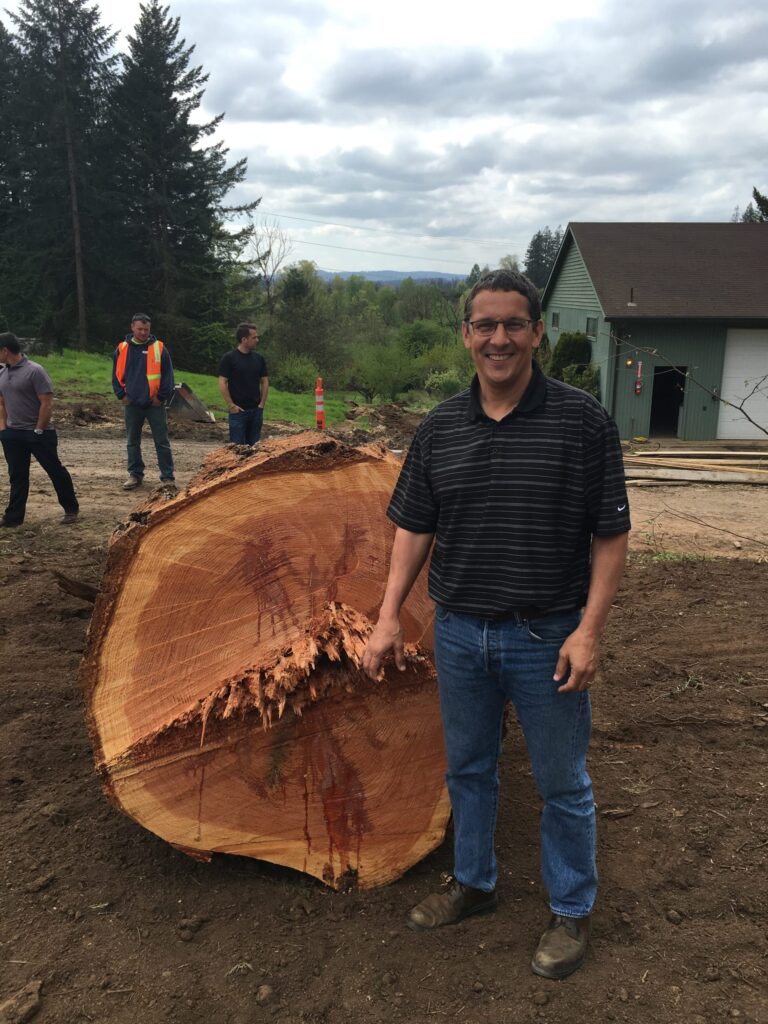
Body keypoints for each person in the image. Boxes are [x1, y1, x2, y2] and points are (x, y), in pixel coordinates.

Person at [362, 270, 630, 980]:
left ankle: (570, 909)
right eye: (485, 325)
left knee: (561, 781)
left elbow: (610, 537)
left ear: (538, 332)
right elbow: (414, 528)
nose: (499, 338)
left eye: (514, 324)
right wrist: (389, 615)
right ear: (467, 336)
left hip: (547, 635)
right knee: (469, 768)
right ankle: (474, 883)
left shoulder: (582, 423)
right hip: (459, 632)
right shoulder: (442, 428)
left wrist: (590, 631)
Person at [0, 333, 79, 527]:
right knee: (17, 476)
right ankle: (13, 518)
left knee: (54, 470)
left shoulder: (35, 371)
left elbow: (47, 404)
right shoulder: (2, 373)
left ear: (5, 350)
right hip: (13, 434)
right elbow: (1, 402)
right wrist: (3, 429)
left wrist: (38, 430)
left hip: (39, 434)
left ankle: (71, 509)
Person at [112, 313, 175, 489]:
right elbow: (115, 376)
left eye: (146, 330)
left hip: (154, 404)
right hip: (131, 403)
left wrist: (160, 397)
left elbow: (168, 376)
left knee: (161, 441)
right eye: (140, 329)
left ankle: (167, 477)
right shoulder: (122, 348)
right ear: (132, 327)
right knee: (132, 441)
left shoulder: (160, 348)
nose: (143, 333)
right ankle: (135, 475)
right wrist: (121, 395)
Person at [217, 323, 269, 445]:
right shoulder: (229, 358)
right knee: (237, 449)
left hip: (256, 411)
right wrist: (231, 405)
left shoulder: (259, 358)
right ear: (244, 339)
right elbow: (222, 381)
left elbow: (265, 381)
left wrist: (261, 404)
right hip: (238, 413)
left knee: (255, 449)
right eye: (254, 337)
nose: (257, 340)